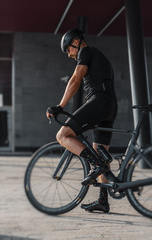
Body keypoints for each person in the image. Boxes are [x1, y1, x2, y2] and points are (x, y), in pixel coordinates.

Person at [46, 29, 118, 213]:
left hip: (99, 101)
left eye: (68, 49)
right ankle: (103, 201)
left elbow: (76, 79)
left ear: (76, 42)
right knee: (100, 152)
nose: (69, 55)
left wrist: (60, 106)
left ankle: (96, 165)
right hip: (110, 107)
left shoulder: (86, 52)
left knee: (62, 135)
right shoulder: (98, 56)